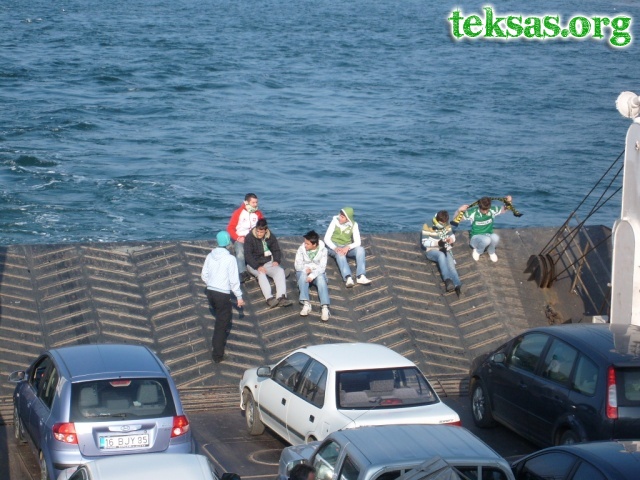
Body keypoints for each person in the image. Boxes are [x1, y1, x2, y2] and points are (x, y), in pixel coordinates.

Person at [201, 231, 245, 363]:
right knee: (221, 324)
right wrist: (239, 297)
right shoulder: (230, 259)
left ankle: (217, 350)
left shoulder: (210, 255)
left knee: (219, 318)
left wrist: (211, 283)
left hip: (210, 292)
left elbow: (204, 275)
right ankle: (217, 355)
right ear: (227, 242)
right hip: (222, 294)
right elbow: (234, 281)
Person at [244, 218, 293, 307]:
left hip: (267, 262)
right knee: (261, 274)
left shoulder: (271, 237)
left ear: (266, 231)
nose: (259, 234)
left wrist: (276, 260)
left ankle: (281, 297)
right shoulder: (249, 238)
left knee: (280, 271)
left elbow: (276, 250)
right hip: (253, 264)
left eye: (261, 232)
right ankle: (269, 298)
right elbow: (248, 255)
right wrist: (257, 266)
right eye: (257, 231)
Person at [454, 195, 512, 262]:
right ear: (479, 207)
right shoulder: (473, 212)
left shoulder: (492, 210)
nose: (485, 212)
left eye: (487, 210)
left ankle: (491, 251)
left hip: (488, 235)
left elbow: (504, 209)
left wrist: (509, 202)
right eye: (483, 210)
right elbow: (456, 220)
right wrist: (459, 210)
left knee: (496, 237)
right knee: (486, 240)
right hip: (475, 238)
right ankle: (478, 251)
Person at [324, 207, 372, 288]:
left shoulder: (354, 225)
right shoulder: (334, 221)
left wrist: (348, 247)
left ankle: (361, 276)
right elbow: (326, 238)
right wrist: (335, 248)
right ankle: (348, 277)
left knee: (360, 250)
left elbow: (358, 242)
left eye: (342, 217)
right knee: (340, 254)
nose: (340, 217)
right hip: (334, 246)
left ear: (348, 219)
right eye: (340, 215)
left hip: (346, 246)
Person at [421, 211, 462, 297]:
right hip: (432, 250)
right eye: (441, 223)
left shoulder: (447, 224)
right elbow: (424, 242)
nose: (443, 225)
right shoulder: (427, 225)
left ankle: (458, 285)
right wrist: (438, 243)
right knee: (441, 255)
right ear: (437, 220)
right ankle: (447, 280)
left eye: (444, 223)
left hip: (446, 248)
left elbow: (451, 235)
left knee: (451, 266)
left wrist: (451, 239)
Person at [227, 193, 264, 283]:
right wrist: (238, 238)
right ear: (246, 202)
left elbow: (263, 226)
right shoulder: (238, 213)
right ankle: (242, 272)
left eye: (256, 202)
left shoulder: (258, 213)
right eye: (253, 203)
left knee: (266, 249)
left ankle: (273, 268)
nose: (255, 205)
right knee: (240, 252)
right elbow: (230, 228)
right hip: (241, 238)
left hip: (255, 238)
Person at [295, 230, 330, 321]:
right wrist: (306, 270)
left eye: (307, 244)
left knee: (321, 278)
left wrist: (312, 273)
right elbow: (298, 265)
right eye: (305, 243)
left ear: (314, 244)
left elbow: (322, 267)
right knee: (303, 276)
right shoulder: (301, 249)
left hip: (317, 272)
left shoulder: (323, 250)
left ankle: (325, 307)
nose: (305, 245)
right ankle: (306, 303)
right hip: (304, 271)